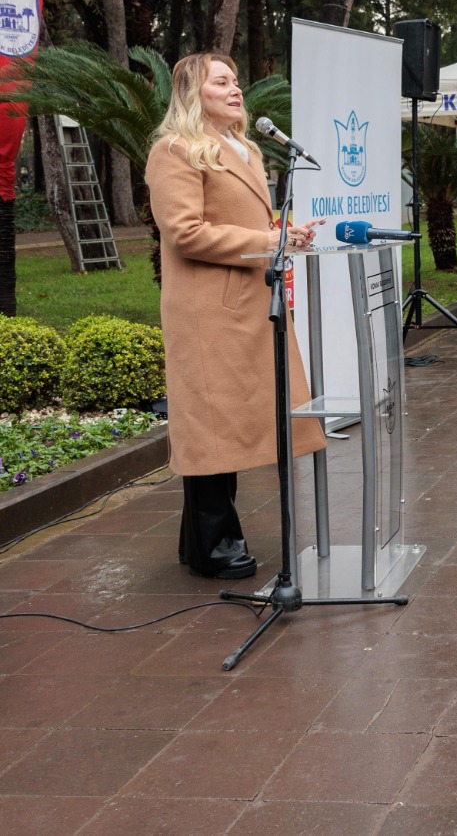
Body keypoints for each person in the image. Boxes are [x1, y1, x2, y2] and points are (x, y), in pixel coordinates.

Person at [144, 53, 327, 579]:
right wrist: (267, 238)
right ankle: (214, 542)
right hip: (207, 311)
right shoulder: (174, 151)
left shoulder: (244, 149)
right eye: (220, 81)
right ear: (191, 93)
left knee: (227, 422)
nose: (235, 89)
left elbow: (242, 222)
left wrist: (285, 233)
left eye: (235, 80)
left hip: (246, 303)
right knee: (211, 427)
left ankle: (197, 538)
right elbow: (185, 233)